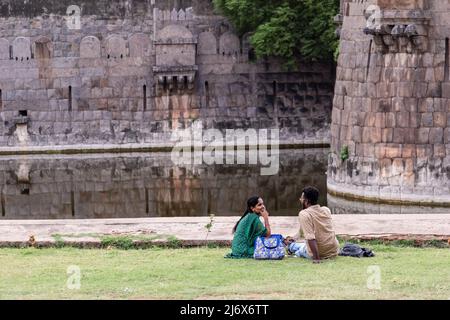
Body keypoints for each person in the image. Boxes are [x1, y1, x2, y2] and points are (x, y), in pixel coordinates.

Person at [291, 186, 340, 263]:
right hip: (333, 251)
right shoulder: (326, 210)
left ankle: (290, 247)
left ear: (306, 201)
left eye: (301, 199)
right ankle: (292, 245)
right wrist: (293, 238)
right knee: (301, 244)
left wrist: (316, 258)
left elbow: (310, 238)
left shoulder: (304, 214)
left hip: (320, 253)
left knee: (295, 248)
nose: (300, 200)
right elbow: (301, 232)